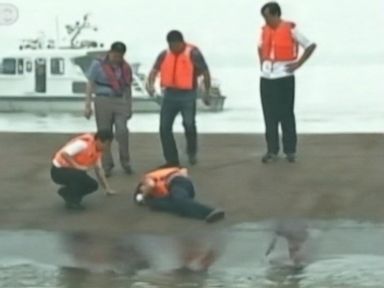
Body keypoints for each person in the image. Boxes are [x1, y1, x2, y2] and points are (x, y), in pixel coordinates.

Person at [258, 2, 316, 163]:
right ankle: (272, 150)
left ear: (276, 15)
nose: (266, 20)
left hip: (284, 77)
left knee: (286, 114)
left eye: (268, 17)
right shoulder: (264, 31)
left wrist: (298, 64)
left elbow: (310, 45)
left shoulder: (290, 29)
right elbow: (260, 48)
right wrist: (261, 63)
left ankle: (290, 150)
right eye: (264, 17)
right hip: (266, 78)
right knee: (269, 115)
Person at [146, 30, 211, 166]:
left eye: (174, 45)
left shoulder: (193, 53)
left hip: (188, 94)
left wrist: (206, 92)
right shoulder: (164, 54)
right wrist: (150, 84)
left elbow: (205, 72)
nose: (172, 48)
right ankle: (171, 159)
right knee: (164, 127)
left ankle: (191, 151)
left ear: (181, 43)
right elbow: (154, 70)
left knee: (189, 124)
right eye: (170, 45)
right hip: (169, 94)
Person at [84, 41, 133, 176]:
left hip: (119, 99)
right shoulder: (98, 64)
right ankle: (107, 164)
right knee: (104, 133)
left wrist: (129, 106)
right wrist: (88, 105)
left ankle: (125, 161)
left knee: (122, 131)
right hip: (102, 99)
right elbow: (90, 84)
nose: (116, 58)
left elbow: (128, 87)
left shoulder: (125, 67)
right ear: (110, 52)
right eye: (114, 55)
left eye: (119, 56)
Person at [133, 166, 225, 223]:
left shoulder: (146, 179)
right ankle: (206, 216)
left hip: (177, 182)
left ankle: (210, 211)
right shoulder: (155, 196)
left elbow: (150, 185)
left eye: (142, 189)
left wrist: (142, 196)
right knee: (172, 205)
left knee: (178, 200)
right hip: (184, 187)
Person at [50, 130, 116, 210]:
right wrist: (77, 166)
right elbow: (64, 154)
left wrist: (107, 188)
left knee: (92, 185)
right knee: (80, 176)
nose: (107, 147)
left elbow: (99, 170)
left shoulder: (97, 151)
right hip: (58, 171)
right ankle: (72, 201)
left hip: (72, 172)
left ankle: (66, 192)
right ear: (98, 140)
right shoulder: (83, 144)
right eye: (106, 144)